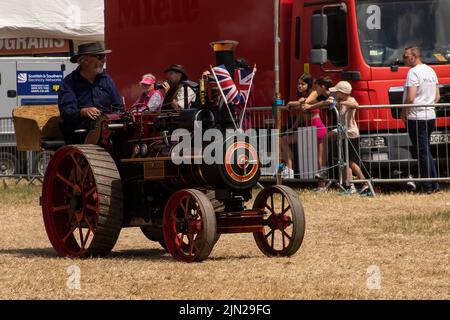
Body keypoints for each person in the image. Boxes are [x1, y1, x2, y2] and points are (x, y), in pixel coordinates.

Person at [58, 42, 123, 143]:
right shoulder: (69, 82)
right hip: (81, 133)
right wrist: (83, 112)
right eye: (100, 56)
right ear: (85, 61)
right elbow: (67, 112)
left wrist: (114, 118)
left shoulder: (106, 79)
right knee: (94, 123)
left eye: (104, 56)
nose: (104, 60)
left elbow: (118, 107)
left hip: (107, 126)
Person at [400, 46, 440, 194]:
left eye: (405, 56)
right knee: (426, 150)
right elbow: (437, 97)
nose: (403, 59)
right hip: (430, 115)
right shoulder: (430, 70)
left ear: (414, 56)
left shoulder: (413, 72)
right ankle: (434, 184)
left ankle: (428, 186)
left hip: (416, 116)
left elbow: (410, 97)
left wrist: (403, 112)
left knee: (422, 151)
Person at [330, 81, 370, 195]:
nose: (335, 94)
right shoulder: (340, 101)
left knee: (351, 162)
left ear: (342, 93)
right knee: (345, 162)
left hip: (351, 134)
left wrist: (343, 103)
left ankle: (364, 183)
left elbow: (356, 105)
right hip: (343, 134)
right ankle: (349, 185)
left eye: (337, 92)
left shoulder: (350, 100)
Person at [301, 77, 334, 183]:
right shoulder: (322, 96)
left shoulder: (331, 94)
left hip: (339, 127)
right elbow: (310, 103)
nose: (316, 90)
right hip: (333, 127)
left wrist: (309, 107)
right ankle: (322, 181)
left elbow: (326, 102)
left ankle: (324, 180)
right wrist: (304, 104)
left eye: (317, 87)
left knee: (322, 156)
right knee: (321, 156)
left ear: (323, 87)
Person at [281, 73, 315, 179]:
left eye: (302, 84)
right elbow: (301, 115)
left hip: (314, 127)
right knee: (284, 139)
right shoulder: (303, 97)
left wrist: (291, 104)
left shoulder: (312, 94)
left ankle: (290, 170)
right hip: (307, 128)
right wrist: (293, 127)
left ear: (308, 85)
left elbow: (299, 104)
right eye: (298, 84)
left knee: (284, 140)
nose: (299, 86)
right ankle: (289, 169)